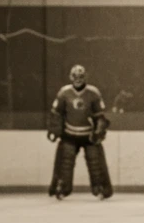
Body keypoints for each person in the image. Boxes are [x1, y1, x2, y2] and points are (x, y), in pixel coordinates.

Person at [47, 65, 113, 200]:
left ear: (85, 78)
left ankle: (100, 187)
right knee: (65, 162)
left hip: (89, 135)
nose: (78, 80)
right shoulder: (64, 93)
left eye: (81, 77)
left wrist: (99, 131)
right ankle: (62, 186)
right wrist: (55, 129)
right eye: (75, 77)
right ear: (71, 77)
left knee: (95, 162)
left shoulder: (93, 93)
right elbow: (56, 114)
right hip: (69, 133)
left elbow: (99, 115)